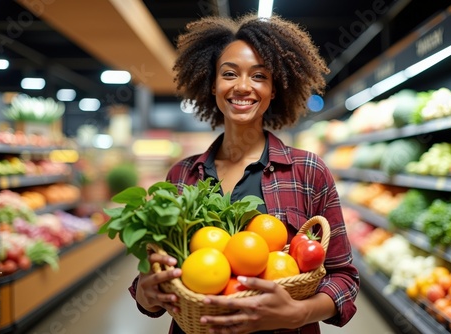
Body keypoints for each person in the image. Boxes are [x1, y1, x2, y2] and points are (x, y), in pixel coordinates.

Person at [128, 13, 359, 334]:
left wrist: (298, 313)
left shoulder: (308, 171)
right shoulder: (182, 175)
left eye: (259, 76)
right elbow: (155, 279)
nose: (242, 86)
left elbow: (344, 278)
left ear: (275, 88)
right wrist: (146, 293)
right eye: (229, 73)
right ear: (212, 84)